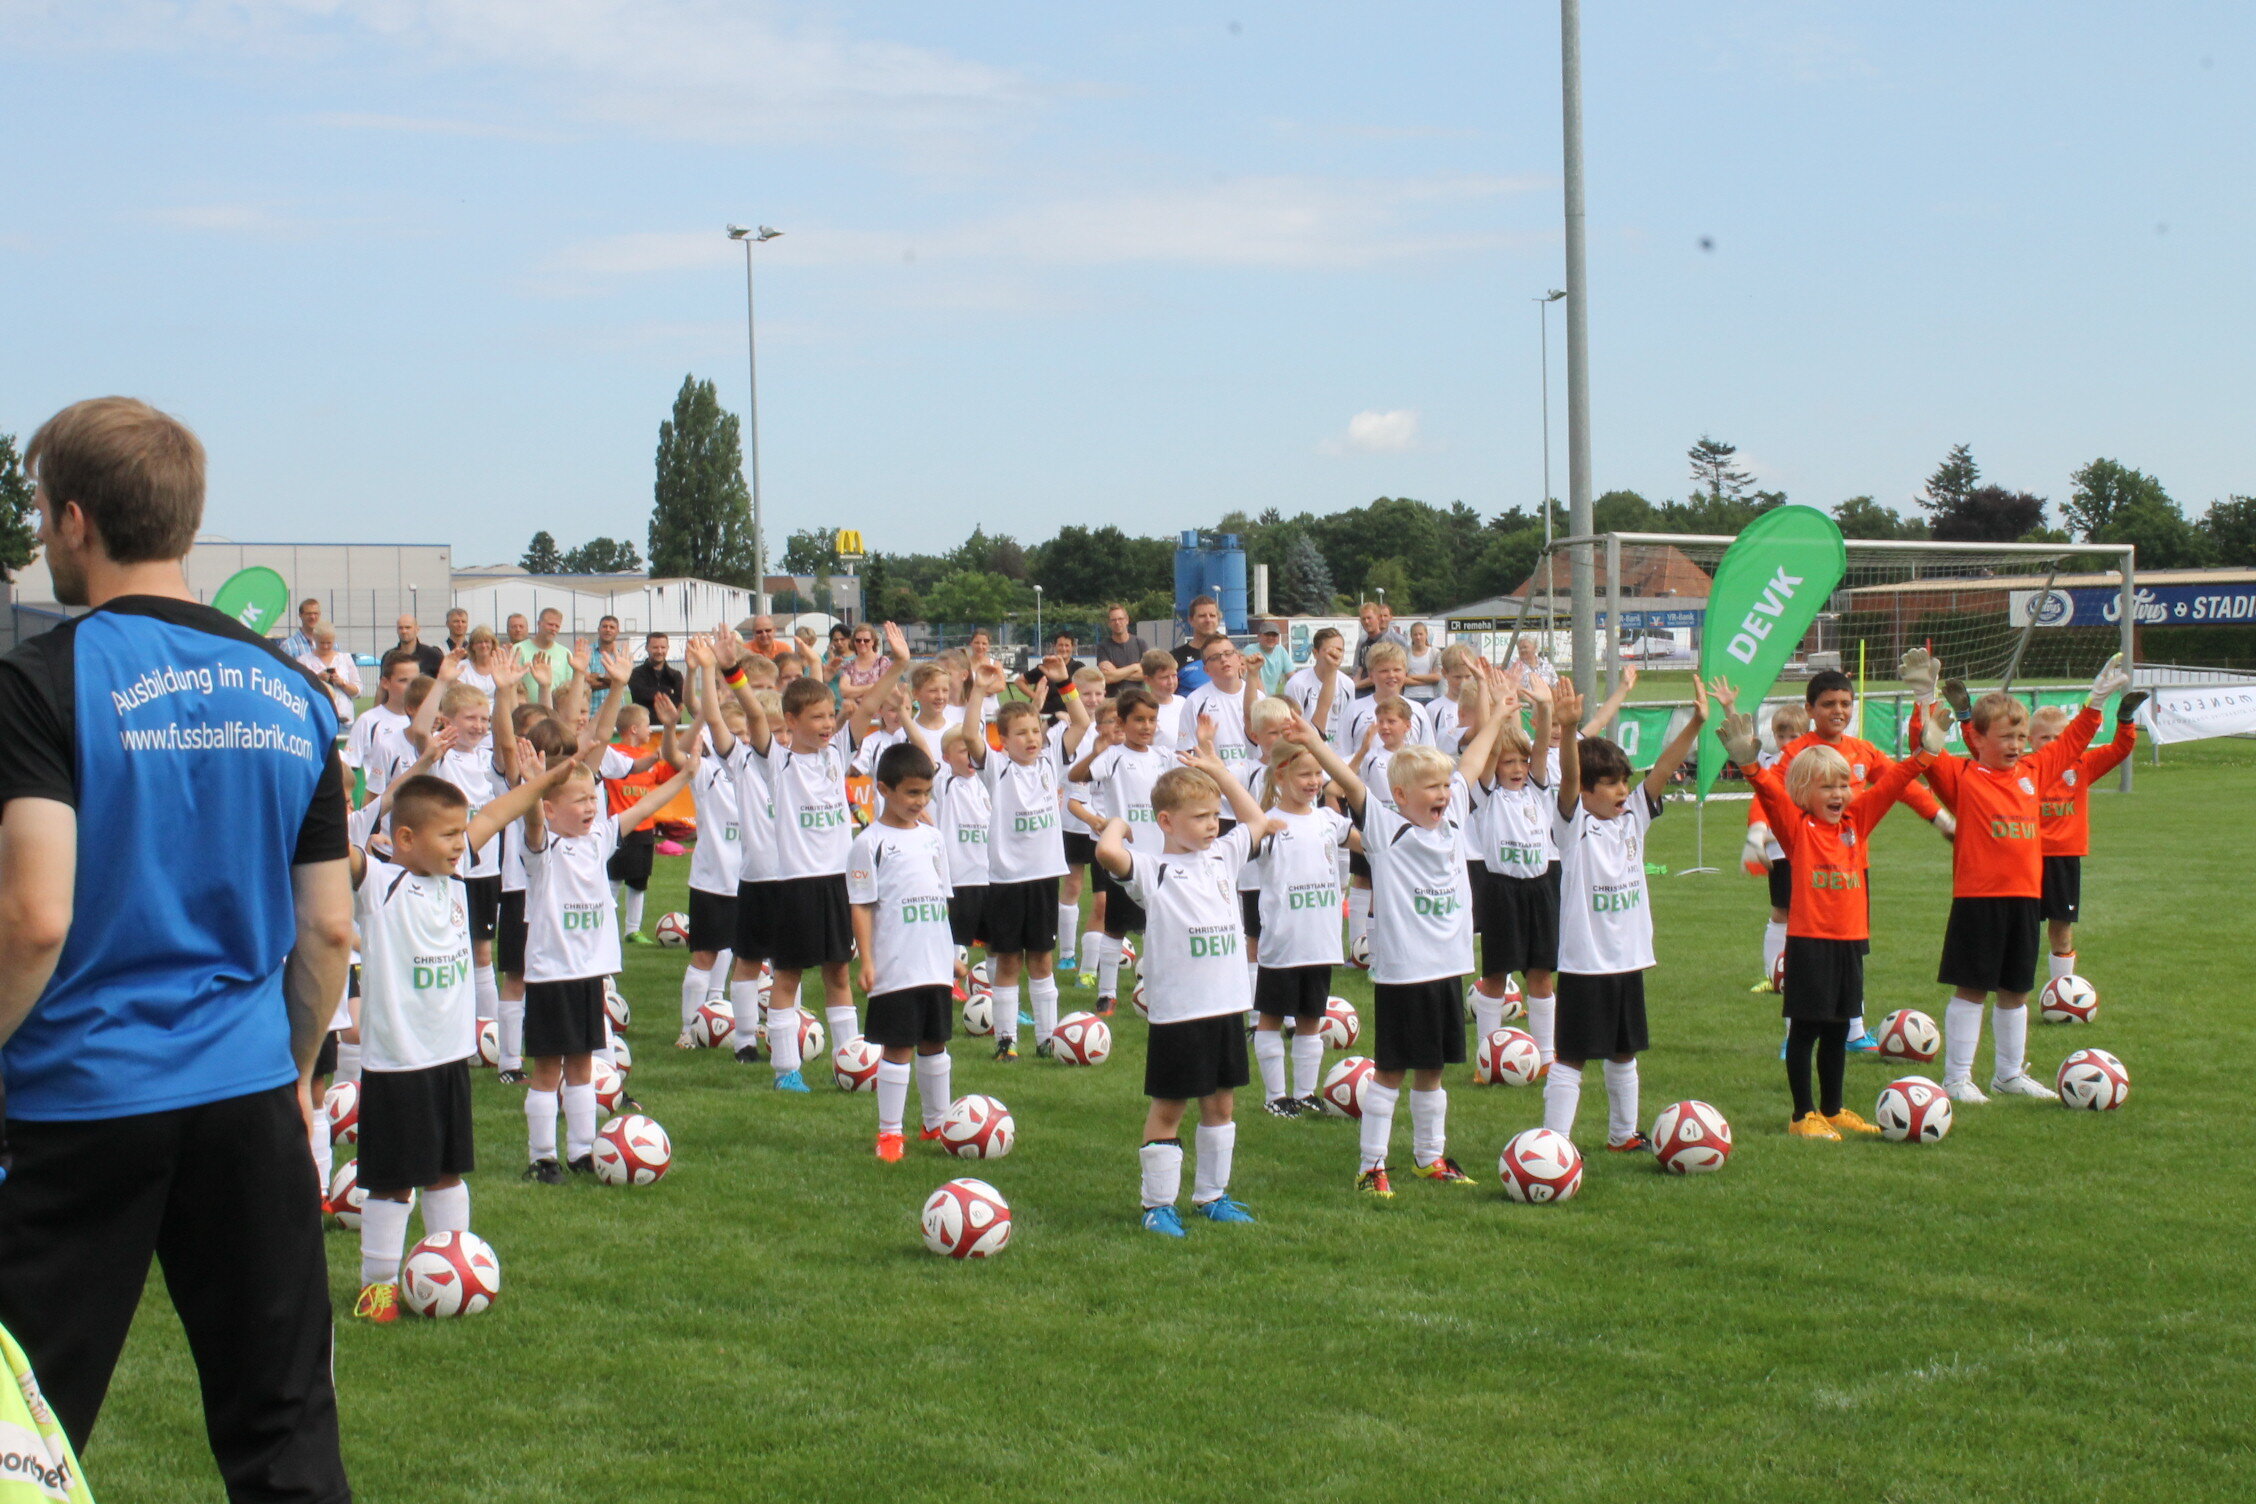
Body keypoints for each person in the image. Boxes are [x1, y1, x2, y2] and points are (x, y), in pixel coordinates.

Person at [0, 396, 353, 1496]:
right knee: (282, 1425)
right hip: (245, 1095)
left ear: (73, 520)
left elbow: (33, 917)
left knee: (21, 1416)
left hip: (76, 1098)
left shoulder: (42, 682)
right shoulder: (296, 693)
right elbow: (330, 925)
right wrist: (294, 1071)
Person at [346, 756, 576, 1320]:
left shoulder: (451, 876)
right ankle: (377, 1284)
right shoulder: (380, 883)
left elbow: (495, 814)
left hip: (449, 1059)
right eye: (447, 834)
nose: (459, 845)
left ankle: (455, 1266)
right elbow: (333, 849)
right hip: (397, 1063)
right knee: (395, 1183)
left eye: (460, 833)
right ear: (404, 838)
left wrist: (545, 782)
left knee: (448, 1171)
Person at [1719, 687, 1940, 1140]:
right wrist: (1748, 765)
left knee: (1840, 1027)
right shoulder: (1797, 827)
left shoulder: (1856, 822)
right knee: (1806, 1029)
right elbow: (1768, 790)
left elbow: (1893, 783)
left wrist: (1923, 756)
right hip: (1810, 943)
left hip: (1850, 942)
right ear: (1803, 792)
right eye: (1829, 786)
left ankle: (1834, 1109)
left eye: (1844, 784)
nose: (1840, 793)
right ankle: (1803, 1115)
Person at [1330, 669, 1516, 1195]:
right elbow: (1351, 785)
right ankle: (1371, 1167)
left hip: (1447, 969)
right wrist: (1312, 744)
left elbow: (1473, 762)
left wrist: (1499, 715)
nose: (1443, 793)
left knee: (1433, 1071)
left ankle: (1430, 1158)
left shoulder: (1453, 815)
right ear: (1400, 795)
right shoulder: (1389, 830)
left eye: (1444, 785)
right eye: (1431, 787)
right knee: (1391, 1071)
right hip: (1403, 973)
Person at [1903, 649, 2117, 1105]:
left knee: (2016, 989)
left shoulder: (2033, 772)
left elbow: (2072, 742)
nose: (2017, 744)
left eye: (2021, 736)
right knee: (1973, 987)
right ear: (1976, 738)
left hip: (2026, 897)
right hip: (1979, 898)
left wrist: (2095, 702)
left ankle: (2008, 1074)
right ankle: (1957, 1079)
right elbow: (1923, 745)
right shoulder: (1962, 775)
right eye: (2007, 736)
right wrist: (1924, 697)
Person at [716, 623, 912, 1088]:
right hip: (796, 885)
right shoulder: (778, 763)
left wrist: (900, 664)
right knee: (786, 978)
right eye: (817, 717)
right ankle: (787, 1069)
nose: (828, 724)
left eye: (829, 715)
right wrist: (730, 670)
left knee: (839, 974)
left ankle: (852, 1062)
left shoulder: (835, 753)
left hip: (839, 882)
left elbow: (865, 708)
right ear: (793, 720)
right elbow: (755, 718)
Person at [1097, 752, 1268, 1237]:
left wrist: (1219, 774)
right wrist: (1116, 825)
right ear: (1167, 822)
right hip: (1179, 1013)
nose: (1213, 825)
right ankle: (1157, 1205)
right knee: (1170, 1107)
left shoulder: (1223, 856)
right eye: (1200, 817)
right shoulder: (1154, 871)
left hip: (1225, 1007)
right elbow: (1109, 855)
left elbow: (1254, 819)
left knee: (1221, 1105)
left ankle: (1212, 1195)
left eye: (1215, 815)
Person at [1741, 669, 1955, 1046]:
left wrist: (1939, 817)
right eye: (1828, 704)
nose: (1838, 711)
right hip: (1805, 859)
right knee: (1800, 940)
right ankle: (1794, 1031)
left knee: (1852, 948)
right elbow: (1769, 793)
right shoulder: (1797, 751)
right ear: (1810, 709)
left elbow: (1897, 784)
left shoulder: (1863, 750)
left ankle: (1854, 1031)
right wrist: (1757, 832)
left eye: (1845, 703)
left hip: (1853, 865)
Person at [1542, 675, 1707, 1152]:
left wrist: (1696, 721)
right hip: (1586, 963)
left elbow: (1663, 769)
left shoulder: (1634, 816)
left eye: (1623, 782)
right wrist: (1569, 732)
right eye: (1610, 783)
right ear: (1588, 791)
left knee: (1624, 1051)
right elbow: (1569, 781)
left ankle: (1622, 1135)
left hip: (1628, 959)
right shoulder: (1573, 827)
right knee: (1572, 1056)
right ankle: (1552, 1144)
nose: (1621, 791)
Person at [963, 655, 1089, 1060]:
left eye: (1035, 731)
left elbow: (1082, 723)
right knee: (1008, 962)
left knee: (1041, 958)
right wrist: (979, 692)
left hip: (1042, 877)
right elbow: (969, 737)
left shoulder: (1051, 760)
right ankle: (1006, 1039)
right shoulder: (996, 767)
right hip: (1005, 880)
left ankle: (1047, 1038)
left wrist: (1065, 682)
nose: (1032, 739)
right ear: (1004, 739)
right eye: (1021, 734)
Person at [849, 742, 960, 1162]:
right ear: (884, 789)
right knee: (898, 1047)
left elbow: (940, 897)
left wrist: (951, 955)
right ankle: (890, 1134)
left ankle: (937, 1123)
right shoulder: (870, 843)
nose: (920, 801)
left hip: (933, 961)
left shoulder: (933, 839)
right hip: (895, 963)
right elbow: (860, 903)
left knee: (935, 1042)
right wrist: (868, 959)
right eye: (911, 793)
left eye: (925, 793)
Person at [1245, 721, 1354, 1115]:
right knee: (1271, 1018)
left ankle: (1306, 1093)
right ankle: (1276, 1097)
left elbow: (1371, 843)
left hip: (1321, 941)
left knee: (1311, 1018)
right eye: (1305, 773)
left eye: (1318, 773)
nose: (1314, 781)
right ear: (1282, 774)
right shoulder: (1270, 824)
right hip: (1283, 942)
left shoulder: (1329, 820)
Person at [1465, 671, 1559, 1063]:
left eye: (1521, 761)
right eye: (1508, 761)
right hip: (1501, 890)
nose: (1517, 767)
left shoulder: (1538, 791)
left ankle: (1548, 1052)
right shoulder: (1488, 797)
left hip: (1540, 888)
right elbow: (1485, 757)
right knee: (1496, 976)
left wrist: (1545, 706)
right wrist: (1496, 708)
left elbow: (1539, 748)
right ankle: (1488, 1053)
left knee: (1540, 975)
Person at [1069, 686, 1172, 1017]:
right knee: (1114, 927)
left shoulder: (1164, 758)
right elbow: (1077, 775)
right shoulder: (1113, 756)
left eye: (1152, 720)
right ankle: (1107, 993)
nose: (1146, 726)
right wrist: (1096, 751)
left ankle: (1159, 990)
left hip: (1160, 859)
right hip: (1123, 857)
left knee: (1159, 927)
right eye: (1138, 720)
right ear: (1123, 723)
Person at [2028, 695, 2144, 985]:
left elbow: (2120, 749)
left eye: (2058, 736)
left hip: (2064, 857)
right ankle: (2017, 989)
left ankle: (2062, 988)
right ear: (2030, 739)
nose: (2052, 742)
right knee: (2023, 926)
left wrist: (2126, 720)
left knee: (2061, 925)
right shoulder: (2024, 767)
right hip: (2025, 856)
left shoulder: (2082, 765)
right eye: (2044, 737)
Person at [348, 648, 420, 802]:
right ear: (385, 683)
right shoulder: (368, 721)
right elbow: (349, 767)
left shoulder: (426, 722)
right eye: (403, 680)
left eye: (415, 681)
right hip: (380, 806)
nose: (411, 687)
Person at [1282, 627, 1353, 745]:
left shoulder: (1347, 684)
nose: (1335, 654)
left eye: (1340, 650)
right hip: (1307, 753)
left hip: (1339, 755)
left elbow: (1349, 724)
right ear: (1315, 653)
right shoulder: (1297, 684)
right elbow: (1291, 726)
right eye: (1330, 650)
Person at [297, 623, 361, 717]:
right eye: (322, 643)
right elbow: (299, 690)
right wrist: (316, 679)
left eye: (329, 643)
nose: (326, 646)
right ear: (314, 639)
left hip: (343, 717)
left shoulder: (345, 659)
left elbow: (357, 692)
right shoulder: (303, 661)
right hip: (316, 716)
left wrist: (342, 683)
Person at [1019, 630, 1085, 718]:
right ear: (1054, 646)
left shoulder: (1078, 667)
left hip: (1070, 716)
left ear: (1072, 647)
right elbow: (1019, 681)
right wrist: (1036, 697)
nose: (1064, 648)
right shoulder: (1045, 667)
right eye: (1060, 645)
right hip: (1046, 716)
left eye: (1067, 645)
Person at [1171, 595, 1227, 693]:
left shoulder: (1229, 654)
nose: (1208, 620)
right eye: (1202, 616)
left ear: (1218, 620)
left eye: (1212, 615)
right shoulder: (1175, 657)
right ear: (1191, 620)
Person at [515, 607, 574, 695]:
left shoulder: (566, 653)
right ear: (539, 624)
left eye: (557, 626)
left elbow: (569, 686)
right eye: (550, 624)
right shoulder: (519, 649)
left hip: (556, 707)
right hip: (527, 707)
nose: (553, 629)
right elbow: (514, 684)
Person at [1351, 601, 1409, 690]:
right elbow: (1357, 668)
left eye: (1369, 618)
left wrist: (1356, 686)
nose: (1366, 622)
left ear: (1378, 618)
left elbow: (1384, 671)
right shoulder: (1362, 641)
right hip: (1361, 692)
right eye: (1363, 619)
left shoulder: (1390, 641)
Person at [1094, 604, 1149, 688]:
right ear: (1109, 623)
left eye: (1120, 619)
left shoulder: (1140, 643)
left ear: (1127, 620)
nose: (1117, 622)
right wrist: (1135, 667)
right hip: (1113, 699)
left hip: (1138, 698)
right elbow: (1108, 677)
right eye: (1113, 620)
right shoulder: (1103, 647)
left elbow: (1147, 674)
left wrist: (1116, 672)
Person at [1251, 621, 1294, 696]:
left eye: (1274, 635)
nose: (1271, 638)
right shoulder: (1251, 650)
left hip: (1270, 699)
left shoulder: (1281, 651)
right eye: (1267, 634)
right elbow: (1255, 678)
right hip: (1254, 698)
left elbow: (1293, 677)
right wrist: (1264, 700)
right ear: (1259, 636)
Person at [1402, 622, 1442, 703]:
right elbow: (1402, 679)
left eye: (1421, 634)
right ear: (1411, 636)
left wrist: (1412, 676)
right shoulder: (1405, 652)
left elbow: (1437, 677)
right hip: (1409, 697)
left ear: (1426, 634)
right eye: (1415, 634)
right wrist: (1427, 680)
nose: (1418, 637)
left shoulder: (1434, 652)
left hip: (1430, 697)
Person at [394, 614, 443, 678]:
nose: (404, 631)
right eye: (400, 628)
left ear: (417, 629)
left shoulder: (433, 655)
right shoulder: (390, 657)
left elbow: (444, 682)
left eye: (408, 627)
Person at [281, 595, 323, 661]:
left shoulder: (330, 644)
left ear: (320, 614)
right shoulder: (288, 646)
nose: (312, 617)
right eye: (308, 614)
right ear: (300, 615)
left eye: (315, 613)